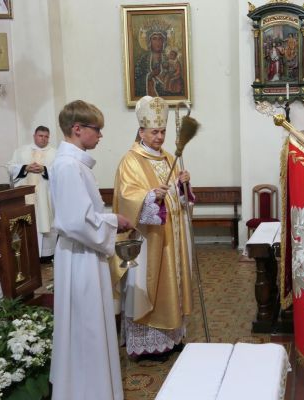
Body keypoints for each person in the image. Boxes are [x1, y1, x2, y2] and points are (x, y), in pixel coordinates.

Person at [49, 100, 132, 400]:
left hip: (85, 253)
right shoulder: (68, 166)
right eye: (97, 129)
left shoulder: (76, 164)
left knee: (90, 324)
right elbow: (74, 222)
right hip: (79, 256)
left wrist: (107, 221)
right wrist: (113, 220)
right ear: (77, 129)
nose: (100, 136)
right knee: (85, 326)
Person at [111, 95, 194, 359]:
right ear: (141, 131)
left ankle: (172, 336)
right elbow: (126, 197)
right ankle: (149, 342)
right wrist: (149, 197)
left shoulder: (170, 157)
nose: (160, 137)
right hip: (148, 241)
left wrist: (183, 186)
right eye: (155, 132)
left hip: (173, 237)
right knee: (151, 285)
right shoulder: (131, 160)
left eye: (163, 131)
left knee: (174, 282)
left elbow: (179, 200)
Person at [8, 126, 57, 261]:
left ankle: (46, 255)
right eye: (40, 135)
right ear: (34, 135)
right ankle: (27, 254)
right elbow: (11, 168)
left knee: (46, 221)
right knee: (27, 223)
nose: (43, 139)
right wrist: (25, 168)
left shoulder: (55, 153)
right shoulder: (21, 151)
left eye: (46, 136)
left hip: (45, 196)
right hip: (25, 195)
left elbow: (60, 172)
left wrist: (44, 169)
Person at [134, 20, 182, 97]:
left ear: (164, 42)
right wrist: (149, 76)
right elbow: (136, 79)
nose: (158, 42)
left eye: (160, 39)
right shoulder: (143, 59)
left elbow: (177, 78)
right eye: (154, 39)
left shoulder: (170, 58)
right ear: (149, 42)